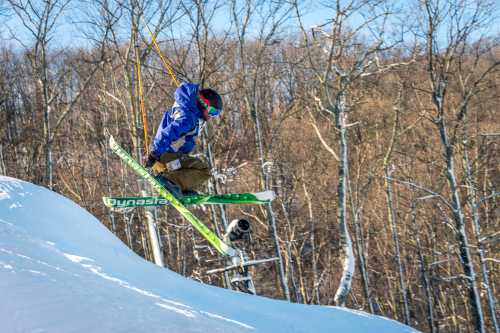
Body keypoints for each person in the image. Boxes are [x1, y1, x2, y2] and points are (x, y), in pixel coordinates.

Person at [144, 82, 223, 199]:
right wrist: (154, 153)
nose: (212, 116)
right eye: (212, 111)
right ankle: (170, 183)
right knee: (203, 170)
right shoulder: (188, 118)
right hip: (165, 155)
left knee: (194, 167)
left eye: (216, 114)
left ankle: (179, 187)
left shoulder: (188, 111)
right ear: (203, 104)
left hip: (169, 158)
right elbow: (170, 132)